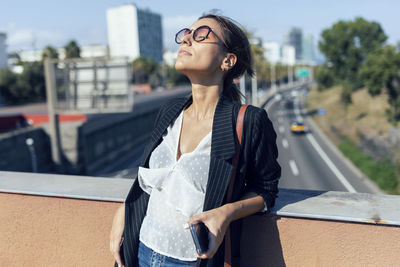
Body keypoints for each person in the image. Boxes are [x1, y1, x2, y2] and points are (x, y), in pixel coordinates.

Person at [110, 13, 281, 267]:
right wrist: (125, 211)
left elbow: (266, 188)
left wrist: (226, 213)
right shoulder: (170, 111)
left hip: (192, 260)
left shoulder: (249, 120)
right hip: (141, 248)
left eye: (201, 34)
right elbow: (151, 182)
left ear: (227, 60)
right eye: (186, 33)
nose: (186, 39)